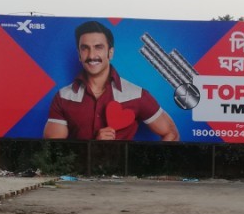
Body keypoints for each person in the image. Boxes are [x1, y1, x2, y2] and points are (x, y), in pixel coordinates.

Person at [44, 21, 179, 142]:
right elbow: (53, 150)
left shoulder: (137, 95)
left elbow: (171, 133)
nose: (91, 55)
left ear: (110, 53)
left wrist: (145, 168)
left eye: (98, 47)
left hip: (122, 170)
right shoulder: (63, 97)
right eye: (85, 48)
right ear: (79, 54)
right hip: (80, 171)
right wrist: (94, 146)